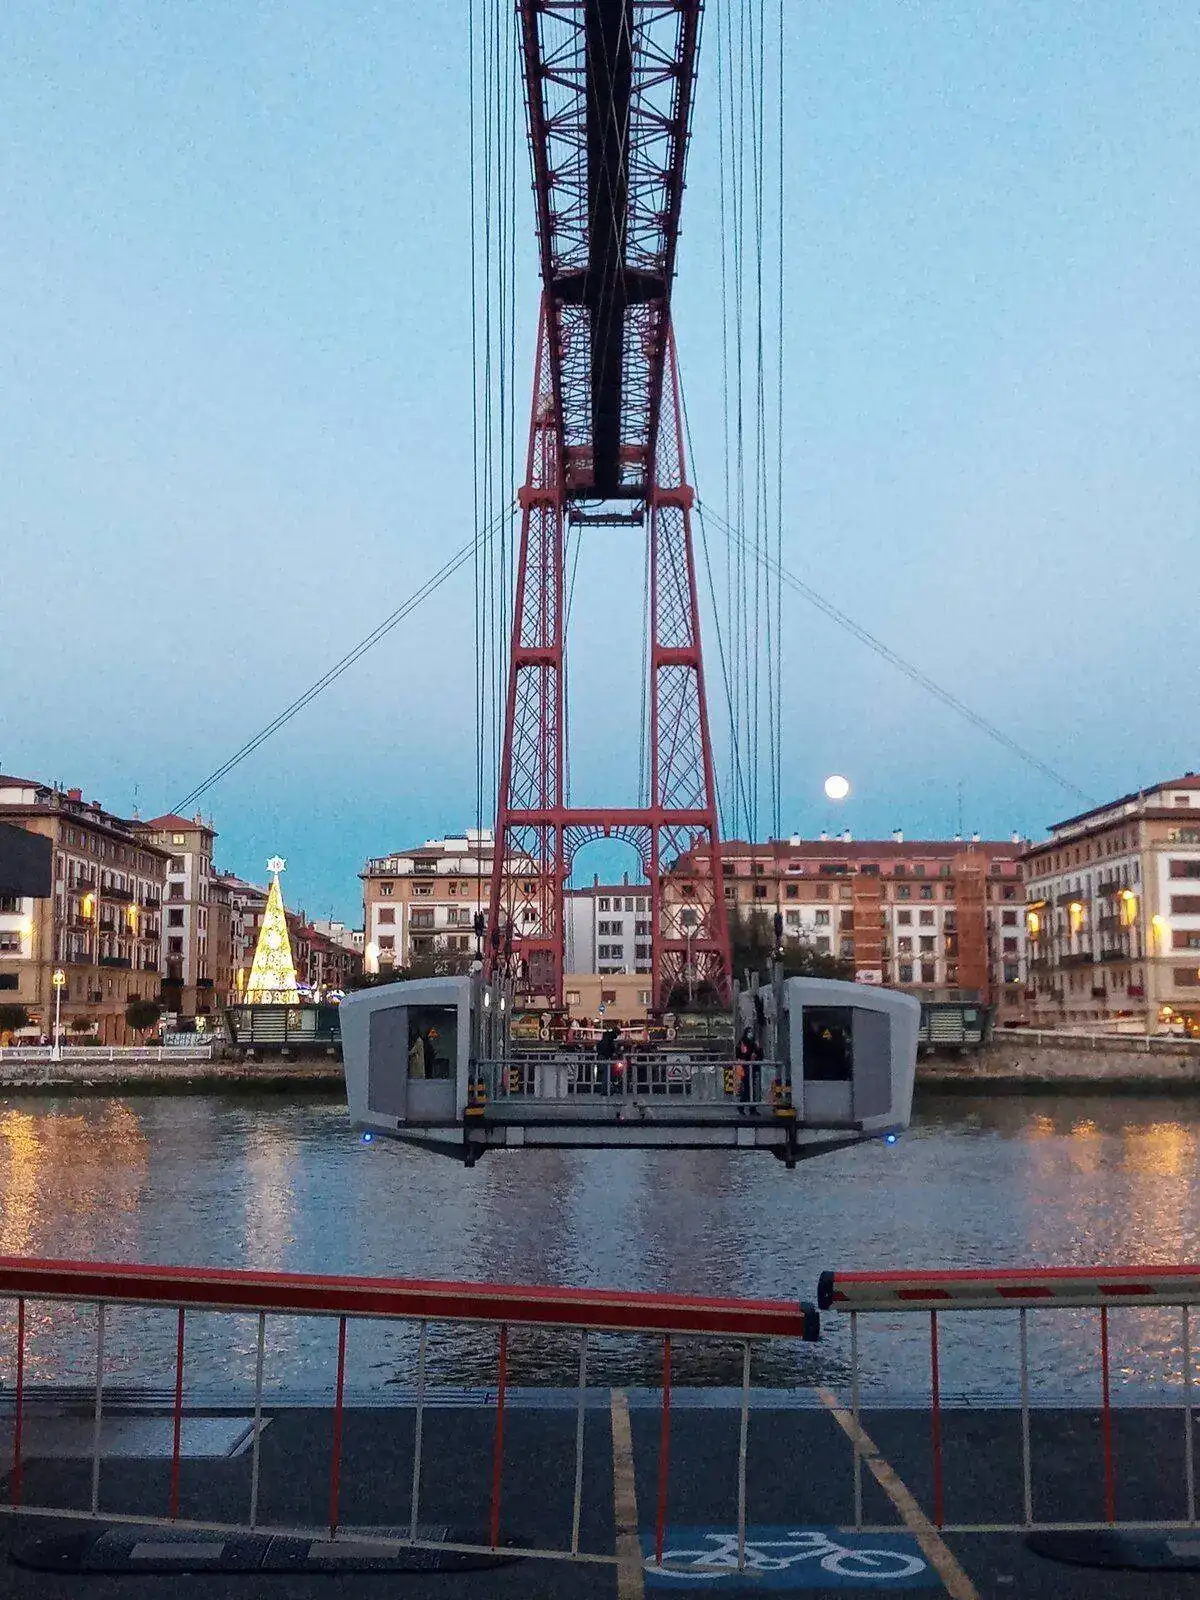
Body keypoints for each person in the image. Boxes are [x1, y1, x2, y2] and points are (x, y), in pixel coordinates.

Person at [735, 1027, 763, 1115]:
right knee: (748, 1089)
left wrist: (758, 1050)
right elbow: (740, 1054)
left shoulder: (754, 1043)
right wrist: (750, 1055)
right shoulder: (743, 1042)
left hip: (753, 1068)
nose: (751, 1034)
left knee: (751, 1089)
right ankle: (744, 1107)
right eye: (749, 1032)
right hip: (745, 1068)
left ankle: (749, 1108)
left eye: (751, 1032)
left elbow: (760, 1055)